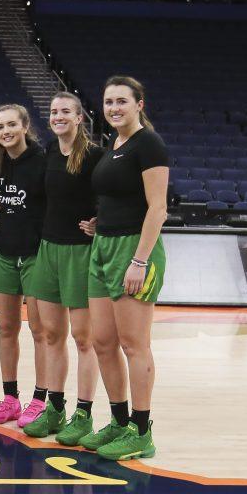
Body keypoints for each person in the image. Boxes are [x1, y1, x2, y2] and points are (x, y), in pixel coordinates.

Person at [81, 76, 169, 460]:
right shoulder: (113, 145)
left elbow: (158, 207)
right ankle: (118, 421)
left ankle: (141, 429)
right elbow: (119, 196)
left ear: (139, 105)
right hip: (103, 247)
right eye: (108, 101)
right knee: (102, 341)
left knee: (134, 344)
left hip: (134, 250)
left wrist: (139, 260)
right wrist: (101, 223)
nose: (114, 108)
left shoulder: (148, 144)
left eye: (122, 101)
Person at [21, 92, 104, 444]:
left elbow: (113, 196)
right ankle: (54, 409)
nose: (58, 116)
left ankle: (83, 415)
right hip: (48, 251)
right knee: (52, 336)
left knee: (84, 339)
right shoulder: (49, 153)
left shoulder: (95, 155)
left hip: (80, 253)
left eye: (65, 111)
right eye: (54, 112)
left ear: (79, 117)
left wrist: (103, 221)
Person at [0, 104, 48, 429]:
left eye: (11, 125)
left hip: (35, 255)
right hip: (6, 253)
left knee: (39, 331)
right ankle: (10, 399)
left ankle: (39, 400)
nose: (5, 131)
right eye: (0, 127)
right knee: (7, 330)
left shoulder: (42, 161)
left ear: (24, 126)